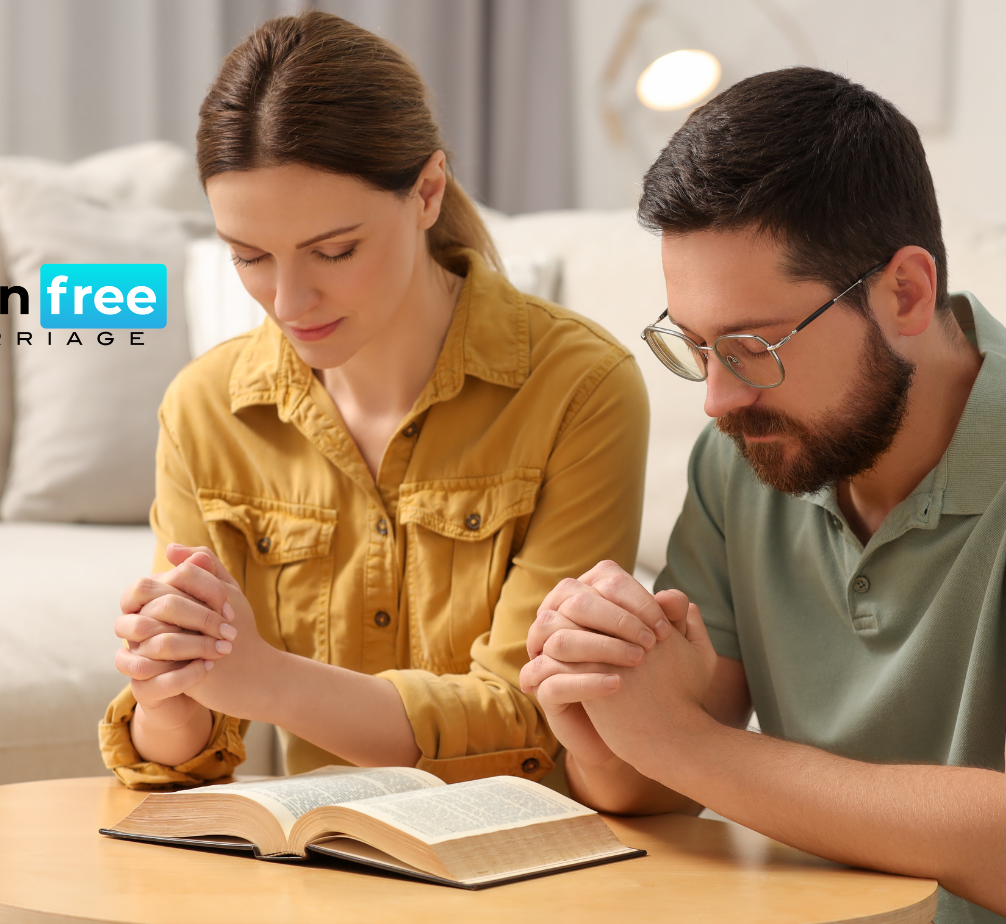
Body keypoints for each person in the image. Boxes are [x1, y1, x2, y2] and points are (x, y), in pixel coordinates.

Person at [520, 68, 1006, 924]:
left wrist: (682, 742)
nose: (718, 398)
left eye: (751, 345)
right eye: (694, 346)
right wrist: (597, 700)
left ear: (906, 292)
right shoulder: (748, 457)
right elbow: (653, 788)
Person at [98, 11, 647, 790]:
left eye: (334, 251)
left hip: (526, 865)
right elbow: (186, 749)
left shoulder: (579, 387)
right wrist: (167, 689)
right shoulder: (205, 409)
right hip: (322, 865)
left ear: (427, 192)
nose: (289, 300)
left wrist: (264, 680)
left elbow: (534, 718)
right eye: (249, 257)